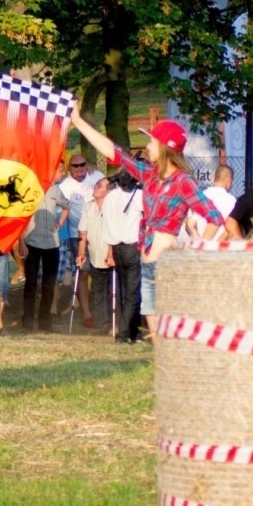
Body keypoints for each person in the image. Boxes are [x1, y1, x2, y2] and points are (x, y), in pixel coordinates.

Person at [68, 110, 225, 338]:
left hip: (166, 258)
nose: (148, 147)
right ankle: (164, 357)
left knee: (165, 312)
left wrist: (198, 248)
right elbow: (114, 152)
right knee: (151, 310)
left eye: (152, 141)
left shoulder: (183, 181)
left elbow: (214, 217)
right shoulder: (150, 174)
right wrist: (77, 121)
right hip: (147, 254)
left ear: (165, 147)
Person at [58, 152, 105, 327]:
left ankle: (102, 310)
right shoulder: (64, 185)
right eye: (75, 166)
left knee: (100, 272)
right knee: (83, 272)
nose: (79, 169)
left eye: (82, 164)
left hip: (100, 233)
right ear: (69, 167)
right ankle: (86, 313)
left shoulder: (97, 176)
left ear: (87, 164)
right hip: (75, 234)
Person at [18, 176, 67, 330]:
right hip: (32, 241)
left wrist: (60, 222)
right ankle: (27, 320)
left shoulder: (55, 190)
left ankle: (45, 321)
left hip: (52, 242)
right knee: (31, 283)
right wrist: (21, 242)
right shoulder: (28, 188)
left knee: (49, 284)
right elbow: (20, 216)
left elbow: (67, 206)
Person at [105, 172, 144, 342]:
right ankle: (123, 334)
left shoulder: (110, 196)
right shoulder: (137, 196)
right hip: (131, 247)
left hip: (116, 248)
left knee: (124, 291)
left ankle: (132, 332)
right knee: (132, 294)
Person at [77, 176, 115, 332]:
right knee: (98, 291)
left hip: (111, 256)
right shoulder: (88, 207)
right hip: (94, 256)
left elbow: (115, 233)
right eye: (96, 185)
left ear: (108, 191)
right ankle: (102, 325)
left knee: (113, 291)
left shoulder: (114, 208)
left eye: (99, 186)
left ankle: (116, 323)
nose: (95, 187)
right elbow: (83, 233)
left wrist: (111, 254)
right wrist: (80, 253)